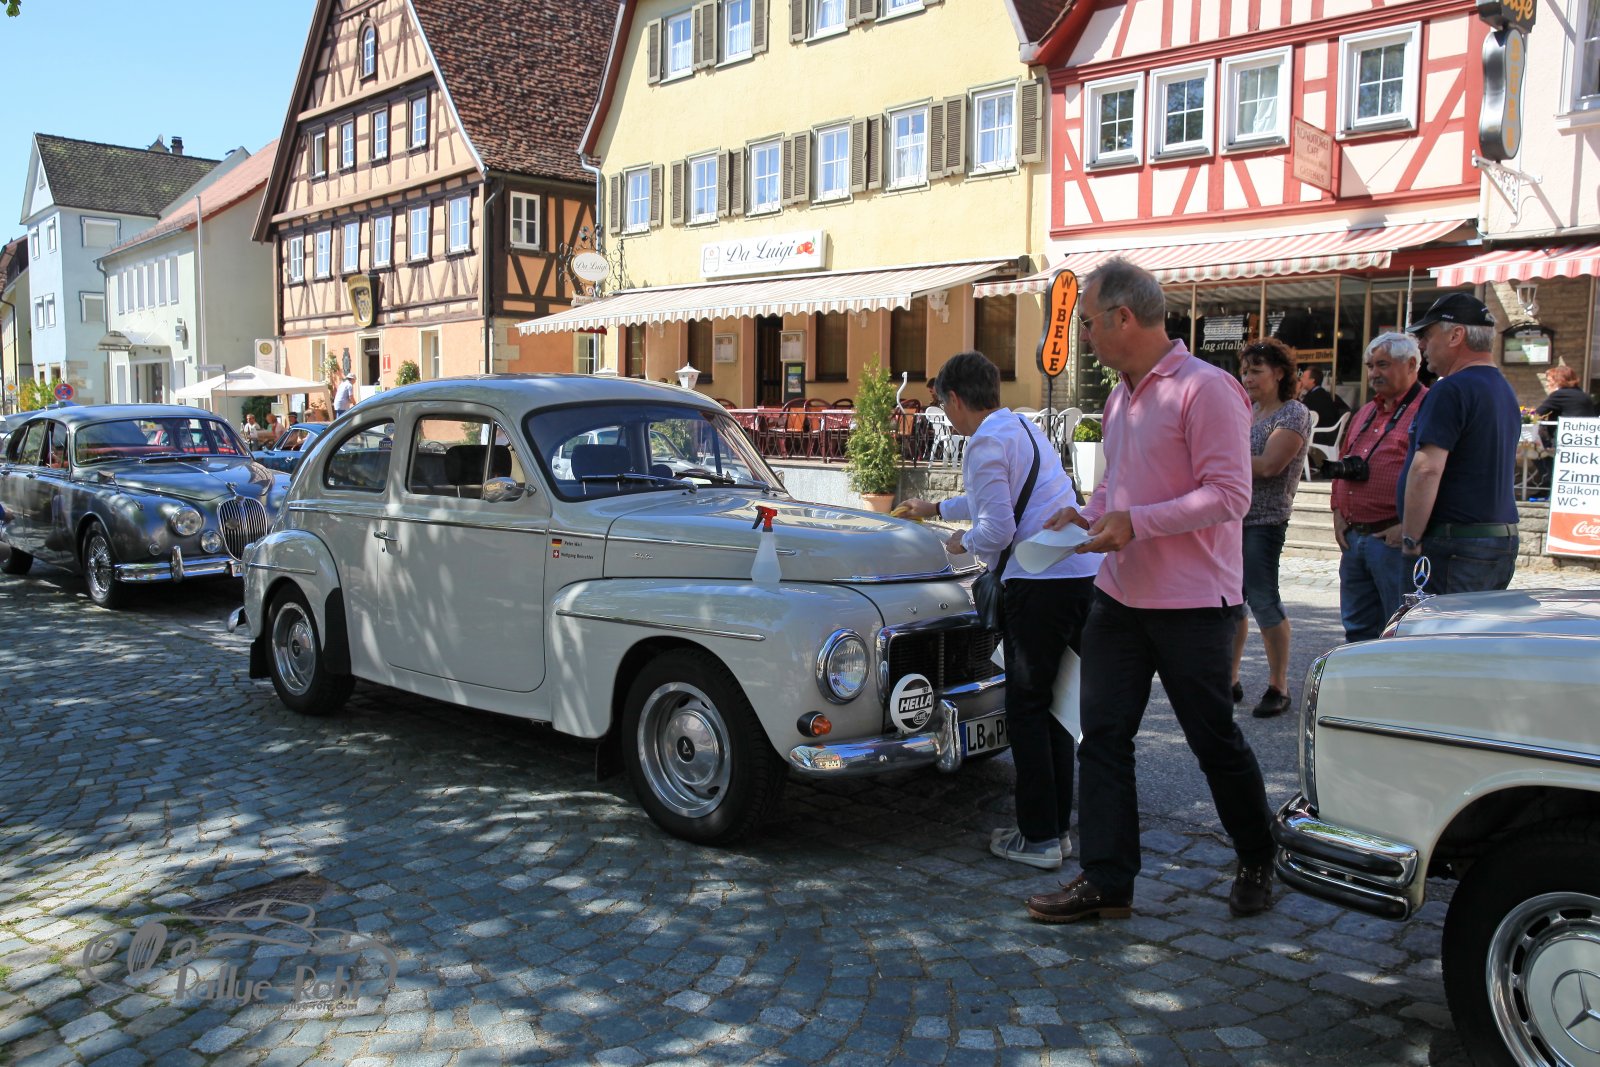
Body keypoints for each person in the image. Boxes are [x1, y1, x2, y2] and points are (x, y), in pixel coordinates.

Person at [1026, 258, 1276, 924]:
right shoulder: (1120, 394)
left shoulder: (1207, 388)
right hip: (1119, 598)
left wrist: (1135, 523)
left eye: (1087, 323)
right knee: (1103, 737)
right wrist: (1087, 513)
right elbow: (1120, 484)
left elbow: (1231, 495)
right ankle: (1107, 880)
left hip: (1193, 604)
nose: (1083, 336)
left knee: (1213, 741)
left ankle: (1258, 855)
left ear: (1123, 318)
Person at [900, 351, 1102, 871]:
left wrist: (959, 541)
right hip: (1077, 575)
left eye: (941, 403)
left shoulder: (983, 443)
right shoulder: (1021, 428)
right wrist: (936, 508)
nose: (944, 414)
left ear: (955, 398)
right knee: (1057, 706)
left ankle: (1038, 838)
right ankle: (1055, 829)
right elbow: (1001, 498)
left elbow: (997, 529)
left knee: (1027, 707)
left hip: (1039, 584)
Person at [1397, 293, 1521, 593]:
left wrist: (1411, 538)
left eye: (1427, 335)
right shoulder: (1503, 388)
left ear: (1456, 335)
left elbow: (1426, 470)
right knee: (1476, 625)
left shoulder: (1451, 389)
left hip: (1456, 542)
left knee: (1437, 624)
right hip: (1494, 539)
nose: (1422, 345)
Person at [1229, 338, 1312, 717]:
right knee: (1231, 603)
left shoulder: (1293, 413)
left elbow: (1269, 465)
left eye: (1256, 370)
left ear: (1279, 373)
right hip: (1231, 519)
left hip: (1264, 521)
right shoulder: (1247, 410)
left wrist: (1220, 457)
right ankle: (1229, 679)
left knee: (1263, 601)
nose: (1247, 378)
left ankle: (1279, 686)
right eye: (1244, 371)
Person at [1329, 334, 1427, 641]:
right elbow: (1343, 460)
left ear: (1411, 364)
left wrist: (1408, 527)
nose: (1374, 374)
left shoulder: (1427, 408)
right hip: (1355, 538)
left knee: (1398, 631)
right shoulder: (1365, 412)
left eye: (1382, 365)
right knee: (1357, 631)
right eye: (1370, 366)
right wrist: (1337, 510)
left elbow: (1434, 473)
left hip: (1392, 541)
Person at [1533, 364, 1597, 446]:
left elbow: (1537, 414)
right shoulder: (1583, 394)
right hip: (1586, 439)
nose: (1547, 384)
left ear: (1559, 381)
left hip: (1565, 439)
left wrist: (1527, 419)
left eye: (1549, 381)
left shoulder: (1559, 394)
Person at [1298, 364, 1350, 433]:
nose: (1300, 379)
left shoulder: (1316, 397)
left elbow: (1299, 415)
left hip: (1319, 434)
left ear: (1312, 380)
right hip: (1325, 433)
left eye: (1303, 377)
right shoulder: (1319, 393)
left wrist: (1296, 393)